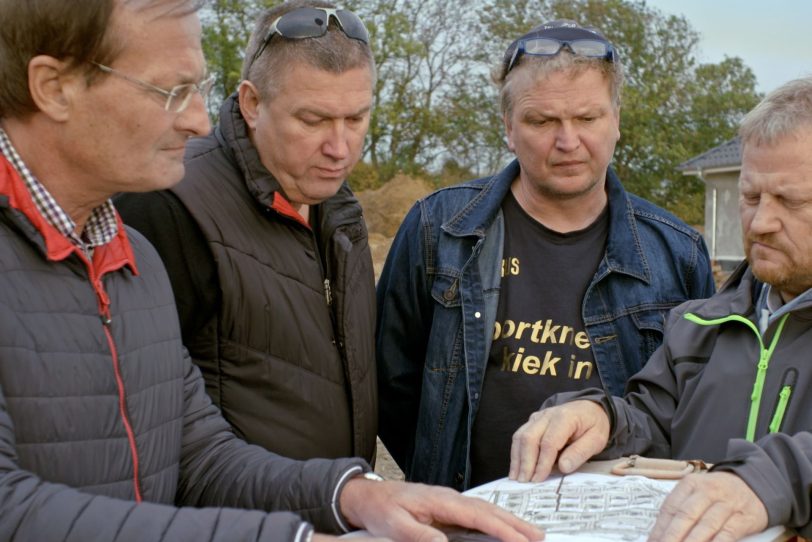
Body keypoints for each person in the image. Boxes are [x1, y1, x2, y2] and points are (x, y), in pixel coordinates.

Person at [0, 1, 546, 541]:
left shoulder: (130, 258)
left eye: (199, 90)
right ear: (54, 87)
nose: (195, 120)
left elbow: (201, 456)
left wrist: (353, 493)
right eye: (169, 92)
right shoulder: (165, 217)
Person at [375, 19, 715, 490]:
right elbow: (391, 386)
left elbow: (692, 409)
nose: (568, 141)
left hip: (613, 525)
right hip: (462, 521)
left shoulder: (678, 254)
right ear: (508, 127)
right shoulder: (439, 229)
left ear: (616, 121)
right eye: (542, 121)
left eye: (587, 119)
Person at [509, 76, 812, 540]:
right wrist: (602, 419)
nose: (761, 222)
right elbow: (650, 424)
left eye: (790, 201)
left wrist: (774, 481)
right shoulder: (697, 327)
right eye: (750, 197)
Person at [115, 0, 377, 463]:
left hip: (337, 517)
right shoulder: (169, 204)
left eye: (355, 119)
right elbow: (133, 422)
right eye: (312, 120)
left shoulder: (340, 209)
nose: (340, 148)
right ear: (252, 103)